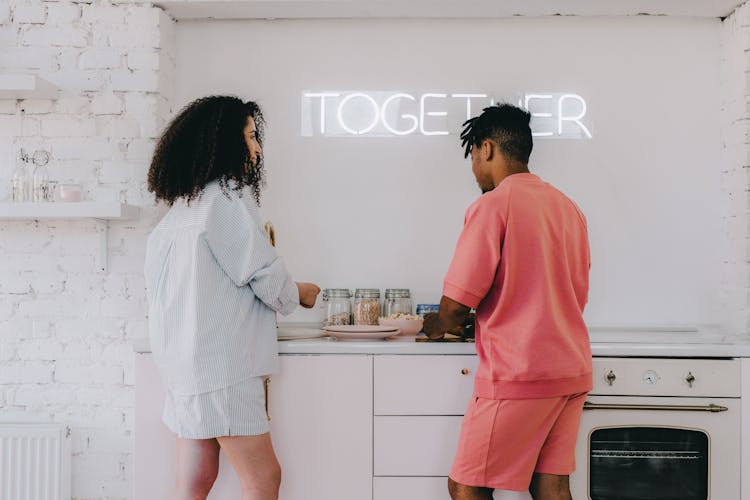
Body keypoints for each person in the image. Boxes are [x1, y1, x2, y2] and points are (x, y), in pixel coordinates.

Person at [144, 95, 320, 500]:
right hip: (221, 368)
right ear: (222, 143)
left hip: (183, 367)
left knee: (194, 479)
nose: (257, 148)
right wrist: (299, 293)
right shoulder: (226, 198)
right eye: (250, 137)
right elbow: (264, 275)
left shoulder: (180, 209)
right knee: (263, 479)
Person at [422, 103, 592, 500]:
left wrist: (433, 325)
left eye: (472, 157)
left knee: (466, 487)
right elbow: (568, 292)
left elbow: (453, 309)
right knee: (550, 487)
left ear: (487, 149)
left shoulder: (492, 206)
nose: (473, 169)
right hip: (570, 368)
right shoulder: (568, 208)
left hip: (520, 374)